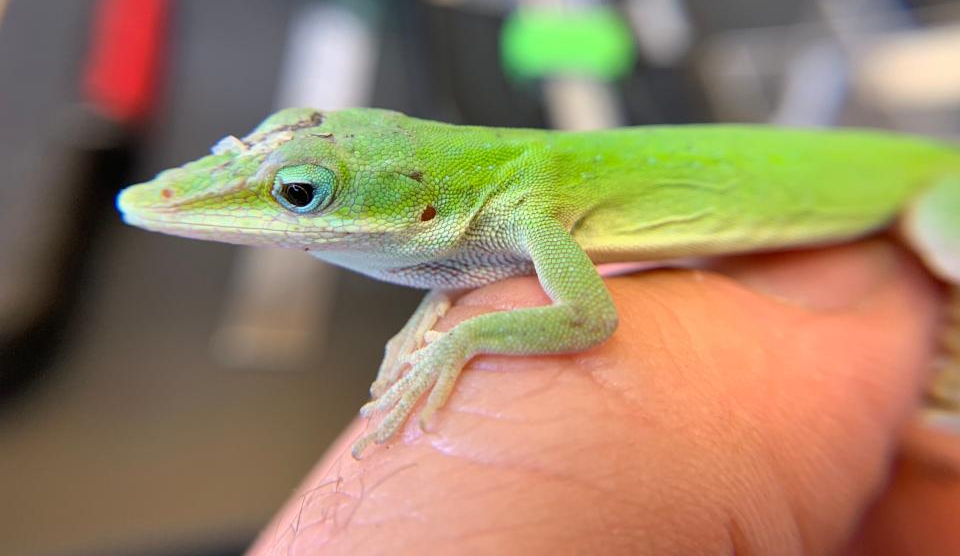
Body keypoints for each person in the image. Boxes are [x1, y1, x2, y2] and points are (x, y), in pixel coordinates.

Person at [248, 238, 960, 555]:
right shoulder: (517, 212)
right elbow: (475, 268)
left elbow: (589, 319)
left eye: (301, 196)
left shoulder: (528, 204)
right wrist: (435, 314)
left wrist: (458, 342)